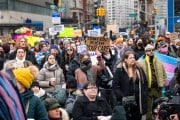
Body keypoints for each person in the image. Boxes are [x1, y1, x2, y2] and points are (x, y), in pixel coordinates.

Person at [113, 50, 148, 120]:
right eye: (130, 58)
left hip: (138, 100)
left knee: (137, 117)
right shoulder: (119, 70)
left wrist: (144, 94)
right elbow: (115, 86)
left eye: (133, 57)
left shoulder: (139, 69)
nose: (133, 59)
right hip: (125, 101)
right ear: (125, 59)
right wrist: (122, 97)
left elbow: (145, 83)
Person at [139, 44, 166, 120]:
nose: (151, 51)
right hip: (148, 89)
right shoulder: (141, 63)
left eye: (152, 50)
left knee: (160, 108)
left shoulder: (159, 62)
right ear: (145, 52)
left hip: (158, 88)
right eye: (149, 50)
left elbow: (164, 75)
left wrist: (162, 83)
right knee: (148, 109)